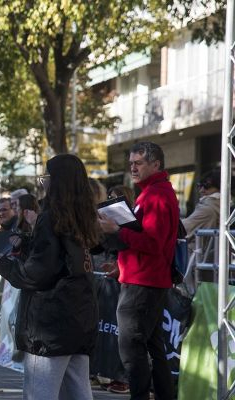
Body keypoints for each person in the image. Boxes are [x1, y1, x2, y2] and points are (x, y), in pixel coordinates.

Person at [0, 154, 100, 400]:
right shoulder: (83, 216)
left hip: (51, 322)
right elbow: (61, 259)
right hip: (80, 316)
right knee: (78, 391)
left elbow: (38, 273)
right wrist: (27, 245)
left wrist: (4, 265)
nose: (44, 183)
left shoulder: (51, 218)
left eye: (46, 177)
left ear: (57, 181)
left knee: (39, 393)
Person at [98, 141, 177, 400]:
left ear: (156, 164)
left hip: (144, 284)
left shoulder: (156, 195)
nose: (132, 167)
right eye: (131, 163)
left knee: (132, 349)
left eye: (138, 163)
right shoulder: (152, 192)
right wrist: (120, 267)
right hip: (143, 280)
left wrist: (117, 231)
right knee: (152, 347)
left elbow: (153, 243)